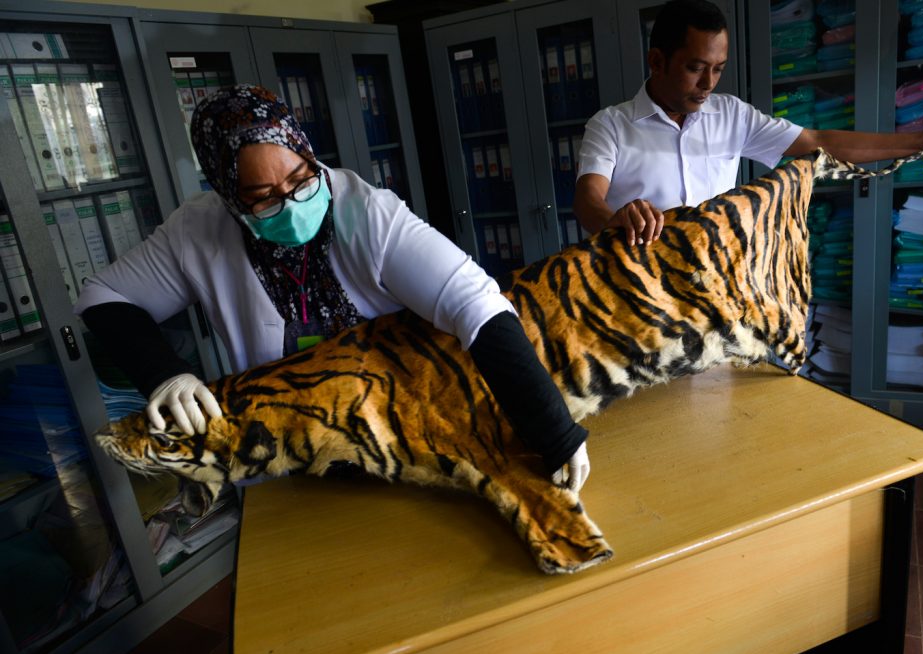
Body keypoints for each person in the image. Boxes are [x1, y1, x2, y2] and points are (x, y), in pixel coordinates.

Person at [76, 84, 591, 492]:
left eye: (301, 178)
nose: (292, 200)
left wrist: (555, 431)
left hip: (405, 442)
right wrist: (165, 375)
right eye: (262, 197)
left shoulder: (367, 211)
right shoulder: (198, 230)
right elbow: (102, 297)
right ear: (227, 195)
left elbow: (476, 304)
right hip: (289, 460)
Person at [573, 0, 923, 246]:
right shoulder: (611, 125)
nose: (707, 84)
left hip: (717, 282)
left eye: (718, 69)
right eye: (695, 68)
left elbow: (818, 140)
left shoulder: (729, 114)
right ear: (657, 61)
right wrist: (616, 218)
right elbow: (588, 201)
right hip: (641, 287)